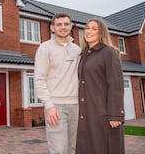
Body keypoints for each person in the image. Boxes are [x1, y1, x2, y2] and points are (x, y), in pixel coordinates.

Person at [76, 18, 125, 154]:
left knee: (104, 147)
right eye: (87, 28)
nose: (89, 31)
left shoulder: (108, 53)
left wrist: (116, 114)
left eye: (94, 28)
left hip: (103, 112)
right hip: (87, 111)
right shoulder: (84, 54)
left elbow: (116, 84)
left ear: (101, 33)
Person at [34, 13, 81, 154]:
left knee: (74, 148)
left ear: (71, 26)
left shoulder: (77, 50)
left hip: (77, 105)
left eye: (66, 24)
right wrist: (49, 105)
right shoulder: (45, 48)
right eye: (59, 24)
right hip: (56, 106)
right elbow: (39, 78)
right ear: (52, 28)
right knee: (59, 149)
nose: (63, 27)